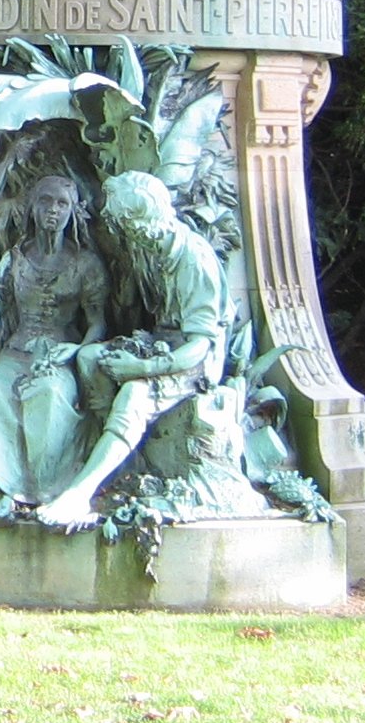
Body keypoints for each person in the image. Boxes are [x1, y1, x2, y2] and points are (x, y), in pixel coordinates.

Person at [38, 170, 230, 531]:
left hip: (193, 358)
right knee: (90, 357)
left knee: (134, 395)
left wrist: (142, 369)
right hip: (161, 342)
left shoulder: (194, 260)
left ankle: (80, 493)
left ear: (143, 221)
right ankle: (109, 458)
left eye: (126, 224)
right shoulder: (153, 249)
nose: (122, 232)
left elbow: (201, 346)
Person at [0, 171, 111, 530]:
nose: (52, 211)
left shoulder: (86, 264)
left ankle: (46, 490)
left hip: (60, 351)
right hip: (17, 348)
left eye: (61, 204)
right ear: (32, 208)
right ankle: (0, 488)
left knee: (49, 393)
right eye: (45, 201)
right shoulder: (13, 260)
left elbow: (98, 323)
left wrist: (75, 352)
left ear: (73, 211)